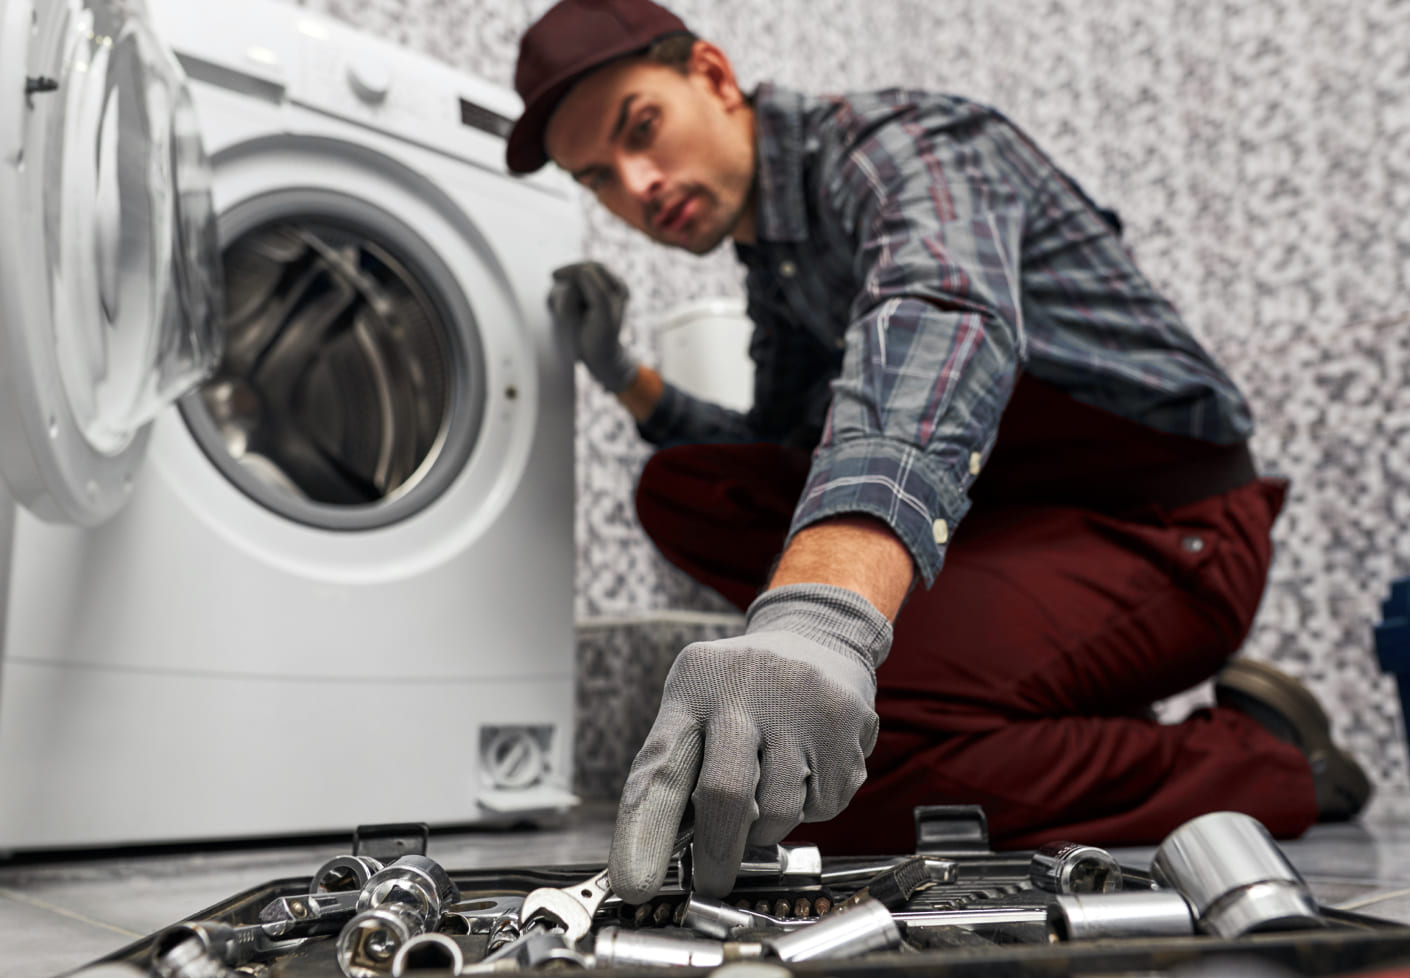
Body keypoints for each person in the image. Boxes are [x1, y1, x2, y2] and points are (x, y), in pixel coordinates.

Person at [506, 0, 1372, 904]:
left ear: (714, 78)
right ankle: (1035, 698)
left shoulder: (908, 142)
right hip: (1017, 526)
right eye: (597, 176)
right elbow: (782, 451)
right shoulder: (779, 266)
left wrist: (822, 620)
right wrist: (623, 375)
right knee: (689, 489)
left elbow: (937, 320)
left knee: (844, 777)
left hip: (1165, 528)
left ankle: (1264, 758)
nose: (637, 185)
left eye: (641, 128)